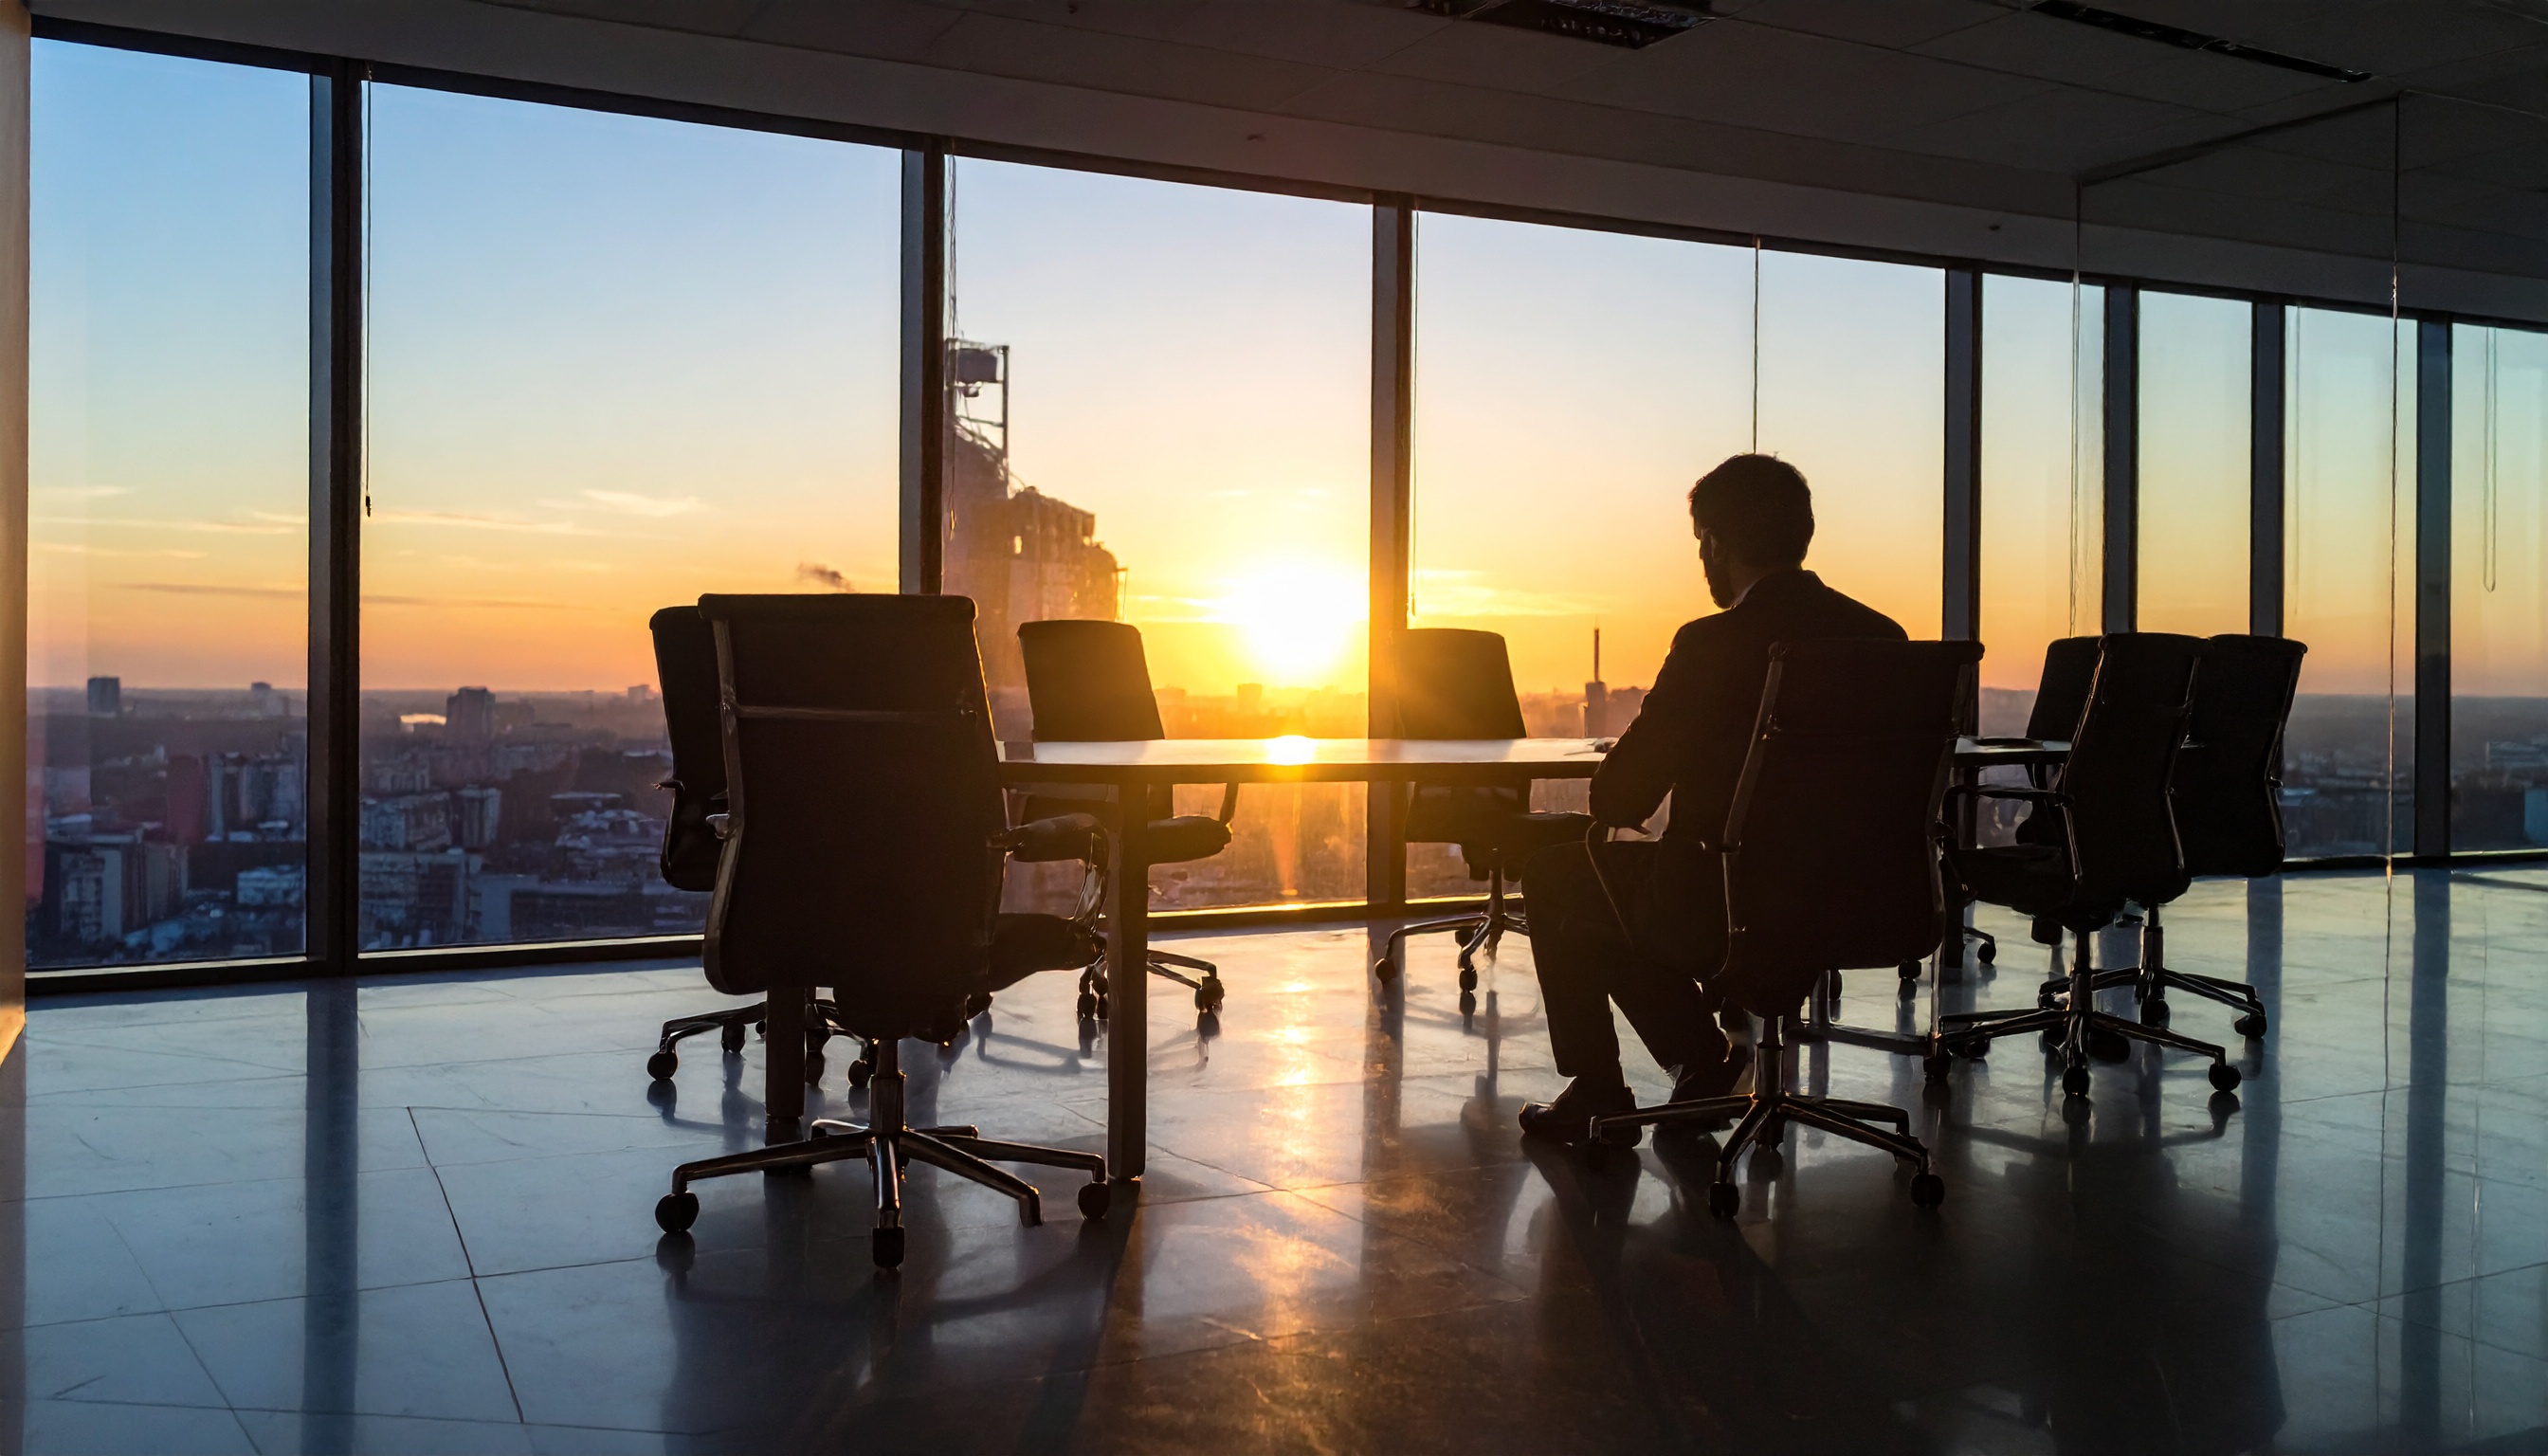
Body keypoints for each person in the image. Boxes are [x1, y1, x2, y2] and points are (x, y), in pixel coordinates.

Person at [1517, 454, 1906, 1139]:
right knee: (1620, 888)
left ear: (1716, 543)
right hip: (1862, 896)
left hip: (1731, 903)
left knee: (1561, 876)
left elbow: (1618, 801)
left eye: (1702, 540)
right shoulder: (1883, 639)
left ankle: (1604, 1086)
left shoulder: (1712, 645)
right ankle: (1699, 1062)